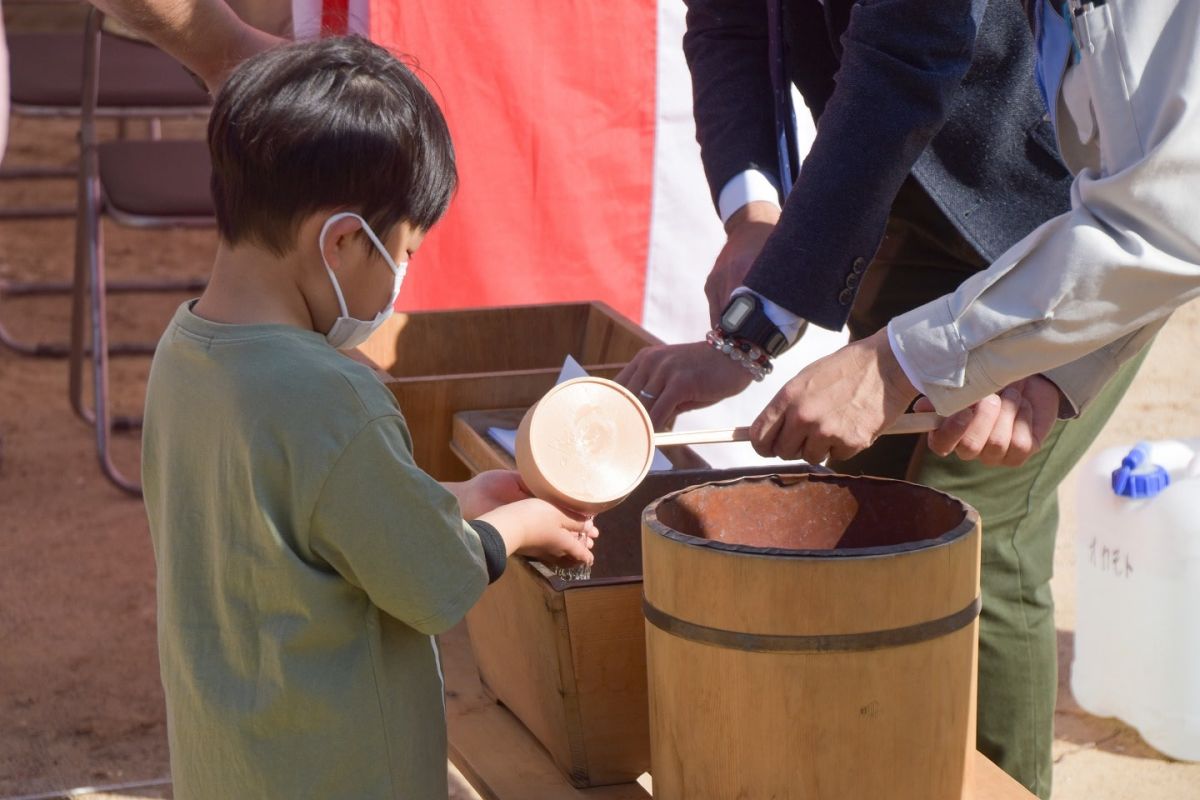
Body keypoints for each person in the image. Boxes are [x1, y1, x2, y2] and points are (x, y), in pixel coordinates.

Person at [617, 1, 1152, 796]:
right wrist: (755, 219)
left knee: (970, 525)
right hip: (898, 195)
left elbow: (907, 51)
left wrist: (758, 325)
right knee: (880, 516)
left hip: (1077, 215)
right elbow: (730, 24)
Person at [140, 36, 598, 798]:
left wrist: (454, 501)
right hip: (338, 768)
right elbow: (428, 580)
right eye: (405, 250)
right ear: (343, 239)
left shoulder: (184, 352)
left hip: (226, 764)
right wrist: (516, 530)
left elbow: (295, 525)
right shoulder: (334, 394)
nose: (401, 278)